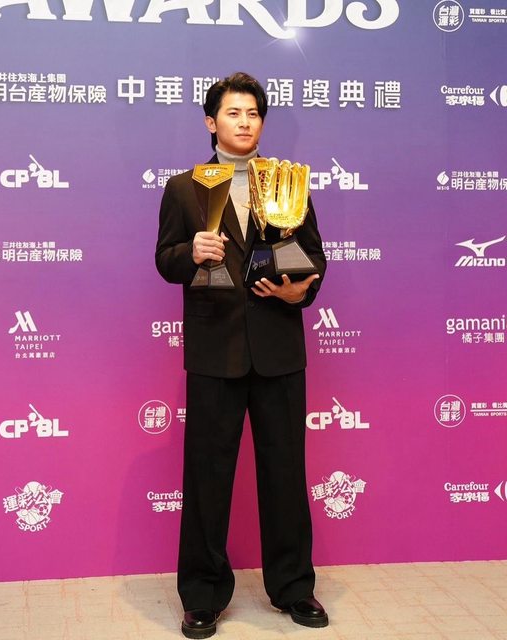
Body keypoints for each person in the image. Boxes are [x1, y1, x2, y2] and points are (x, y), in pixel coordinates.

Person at [155, 72, 328, 639]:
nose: (245, 122)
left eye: (253, 113)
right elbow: (165, 259)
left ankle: (294, 587)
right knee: (207, 478)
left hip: (279, 348)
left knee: (285, 473)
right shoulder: (185, 188)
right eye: (233, 113)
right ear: (212, 122)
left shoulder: (288, 183)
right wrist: (190, 251)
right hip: (215, 352)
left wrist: (299, 292)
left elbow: (314, 259)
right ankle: (202, 595)